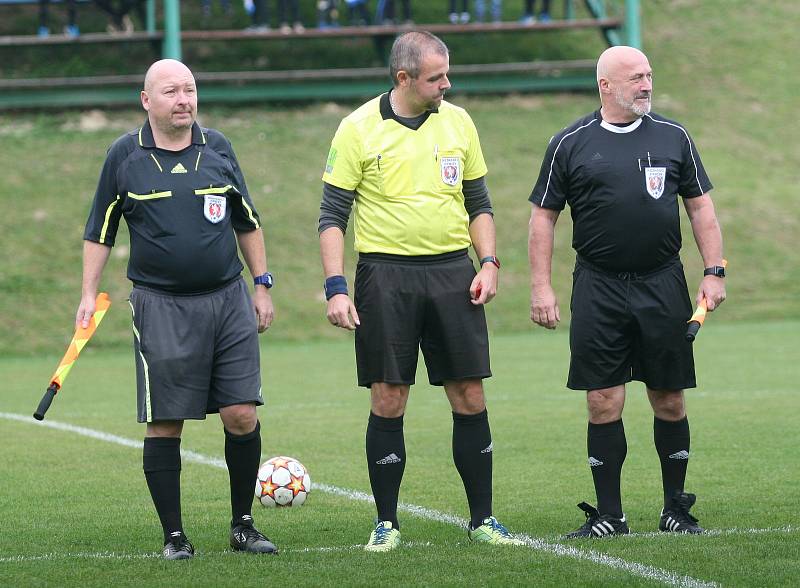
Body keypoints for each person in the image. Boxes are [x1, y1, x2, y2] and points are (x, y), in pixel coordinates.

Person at [319, 30, 524, 552]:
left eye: (446, 74)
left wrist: (490, 262)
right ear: (404, 78)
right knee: (390, 398)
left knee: (469, 393)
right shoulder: (358, 129)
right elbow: (332, 216)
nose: (446, 85)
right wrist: (336, 287)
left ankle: (484, 519)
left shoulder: (458, 122)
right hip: (385, 277)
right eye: (436, 78)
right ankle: (386, 522)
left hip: (453, 274)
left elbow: (478, 201)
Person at [78, 59, 279, 559]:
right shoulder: (124, 156)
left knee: (241, 413)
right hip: (161, 305)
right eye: (171, 91)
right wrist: (88, 292)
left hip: (228, 300)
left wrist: (262, 285)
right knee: (166, 420)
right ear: (146, 100)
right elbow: (99, 230)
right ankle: (174, 537)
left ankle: (243, 527)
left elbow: (247, 221)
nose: (184, 100)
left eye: (190, 90)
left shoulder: (219, 149)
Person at [527, 45, 726, 537]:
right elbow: (543, 218)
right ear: (606, 86)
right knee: (602, 400)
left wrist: (714, 270)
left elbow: (701, 209)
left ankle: (675, 510)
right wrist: (540, 287)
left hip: (663, 283)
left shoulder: (673, 136)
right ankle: (610, 516)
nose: (646, 84)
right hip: (598, 286)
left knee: (669, 398)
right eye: (636, 77)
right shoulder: (569, 142)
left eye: (649, 75)